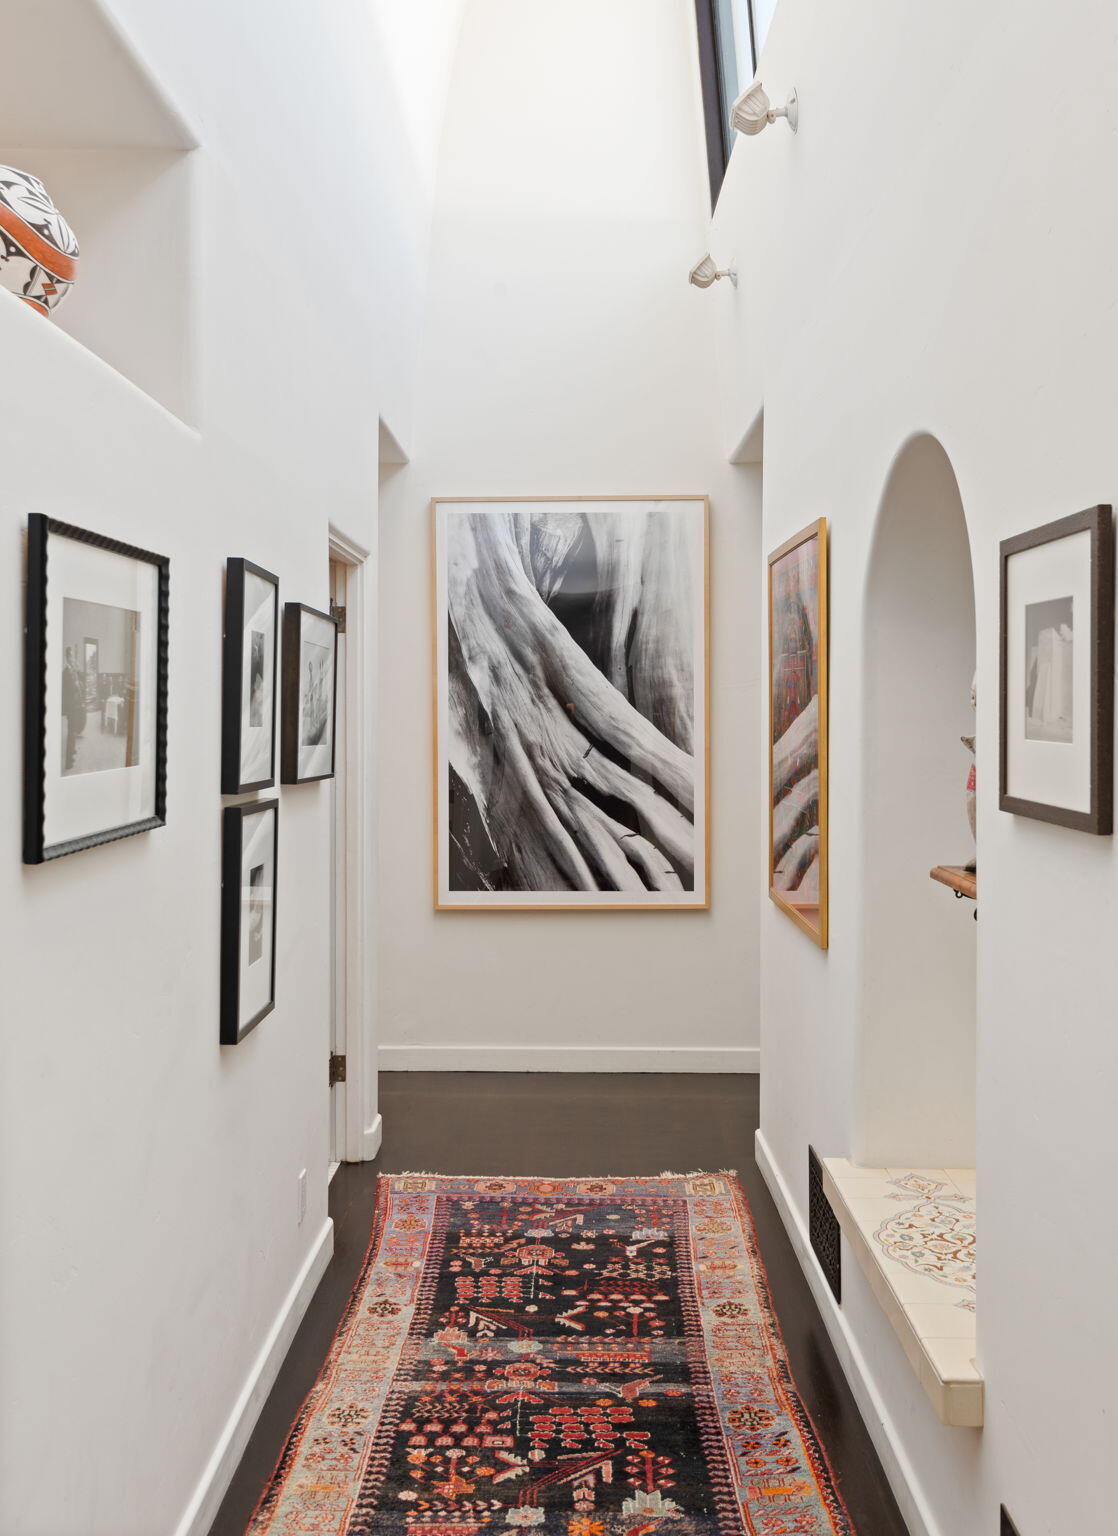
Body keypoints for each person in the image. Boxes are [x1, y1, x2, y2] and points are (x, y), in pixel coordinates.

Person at [61, 645, 87, 771]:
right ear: (67, 657)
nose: (72, 658)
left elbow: (82, 682)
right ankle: (68, 762)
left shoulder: (73, 670)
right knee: (71, 732)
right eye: (70, 656)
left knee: (76, 728)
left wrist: (78, 671)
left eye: (73, 656)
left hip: (78, 704)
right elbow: (68, 691)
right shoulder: (66, 672)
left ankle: (73, 750)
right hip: (72, 706)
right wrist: (76, 684)